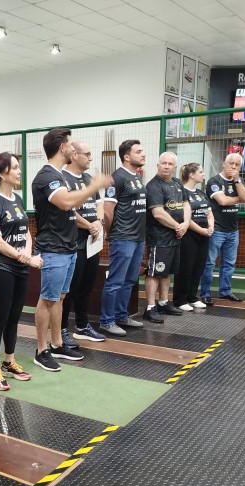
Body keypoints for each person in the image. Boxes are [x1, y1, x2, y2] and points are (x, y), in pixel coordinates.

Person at [32, 128, 111, 371]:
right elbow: (66, 202)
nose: (72, 149)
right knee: (47, 299)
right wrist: (94, 186)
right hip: (53, 247)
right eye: (69, 145)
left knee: (60, 297)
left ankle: (57, 344)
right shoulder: (47, 176)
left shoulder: (61, 176)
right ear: (62, 148)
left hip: (68, 246)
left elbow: (72, 204)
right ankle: (41, 350)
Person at [0, 152, 42, 390]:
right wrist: (23, 257)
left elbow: (26, 231)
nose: (19, 171)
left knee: (14, 317)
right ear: (2, 173)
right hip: (1, 267)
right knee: (0, 317)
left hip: (20, 267)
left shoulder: (17, 199)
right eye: (15, 167)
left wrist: (26, 252)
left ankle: (9, 361)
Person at [99, 139, 148, 337]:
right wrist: (111, 232)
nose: (143, 154)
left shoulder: (137, 176)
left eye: (142, 151)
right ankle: (106, 321)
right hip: (123, 236)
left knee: (129, 280)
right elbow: (107, 210)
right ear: (127, 156)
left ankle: (121, 316)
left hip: (138, 237)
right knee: (115, 281)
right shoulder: (117, 178)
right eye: (139, 151)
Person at [60, 140, 106, 345]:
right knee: (69, 289)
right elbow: (68, 209)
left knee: (87, 286)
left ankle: (82, 325)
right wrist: (89, 225)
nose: (90, 158)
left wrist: (99, 222)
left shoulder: (88, 179)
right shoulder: (63, 178)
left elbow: (99, 204)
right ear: (74, 155)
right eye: (86, 154)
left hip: (92, 242)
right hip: (73, 242)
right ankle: (62, 329)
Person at [143, 152, 190, 323]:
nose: (166, 166)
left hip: (175, 237)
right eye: (163, 163)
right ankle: (150, 307)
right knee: (155, 272)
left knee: (167, 271)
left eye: (170, 164)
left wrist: (186, 223)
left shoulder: (177, 183)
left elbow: (186, 204)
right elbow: (158, 213)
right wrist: (178, 226)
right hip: (159, 238)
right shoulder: (153, 186)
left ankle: (163, 302)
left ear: (175, 167)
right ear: (158, 165)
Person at [200, 153, 245, 304]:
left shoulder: (237, 182)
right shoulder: (214, 181)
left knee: (229, 264)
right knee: (209, 263)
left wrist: (237, 180)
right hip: (216, 229)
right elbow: (222, 201)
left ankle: (225, 292)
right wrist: (238, 198)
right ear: (224, 164)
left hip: (233, 230)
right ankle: (205, 293)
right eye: (231, 163)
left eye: (237, 165)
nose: (233, 167)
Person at [173, 162, 214, 311]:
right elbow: (185, 218)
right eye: (201, 172)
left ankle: (192, 297)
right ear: (191, 175)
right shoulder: (181, 192)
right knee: (186, 266)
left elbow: (209, 213)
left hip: (204, 236)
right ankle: (180, 299)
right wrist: (201, 230)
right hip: (189, 235)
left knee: (199, 266)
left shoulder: (200, 193)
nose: (203, 174)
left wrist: (211, 227)